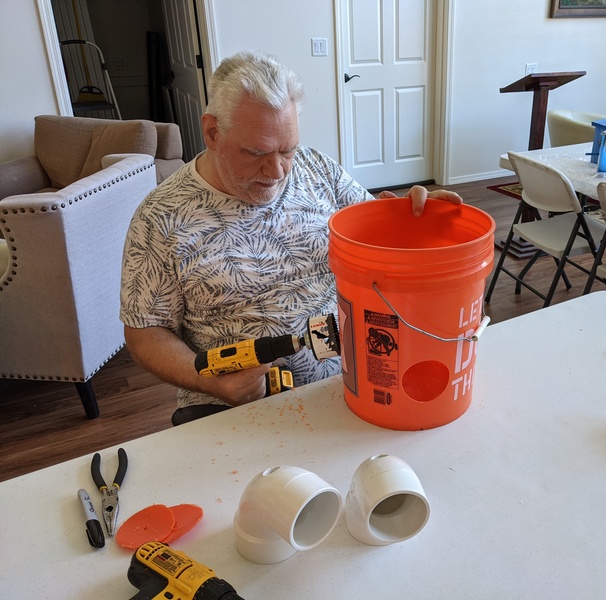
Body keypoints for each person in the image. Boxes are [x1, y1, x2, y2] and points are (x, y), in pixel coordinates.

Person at [119, 50, 462, 425]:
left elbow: (378, 240)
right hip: (232, 406)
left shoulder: (317, 168)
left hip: (355, 379)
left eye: (288, 149)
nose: (278, 170)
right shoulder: (161, 217)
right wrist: (211, 381)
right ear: (213, 133)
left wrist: (416, 222)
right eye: (256, 153)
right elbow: (145, 332)